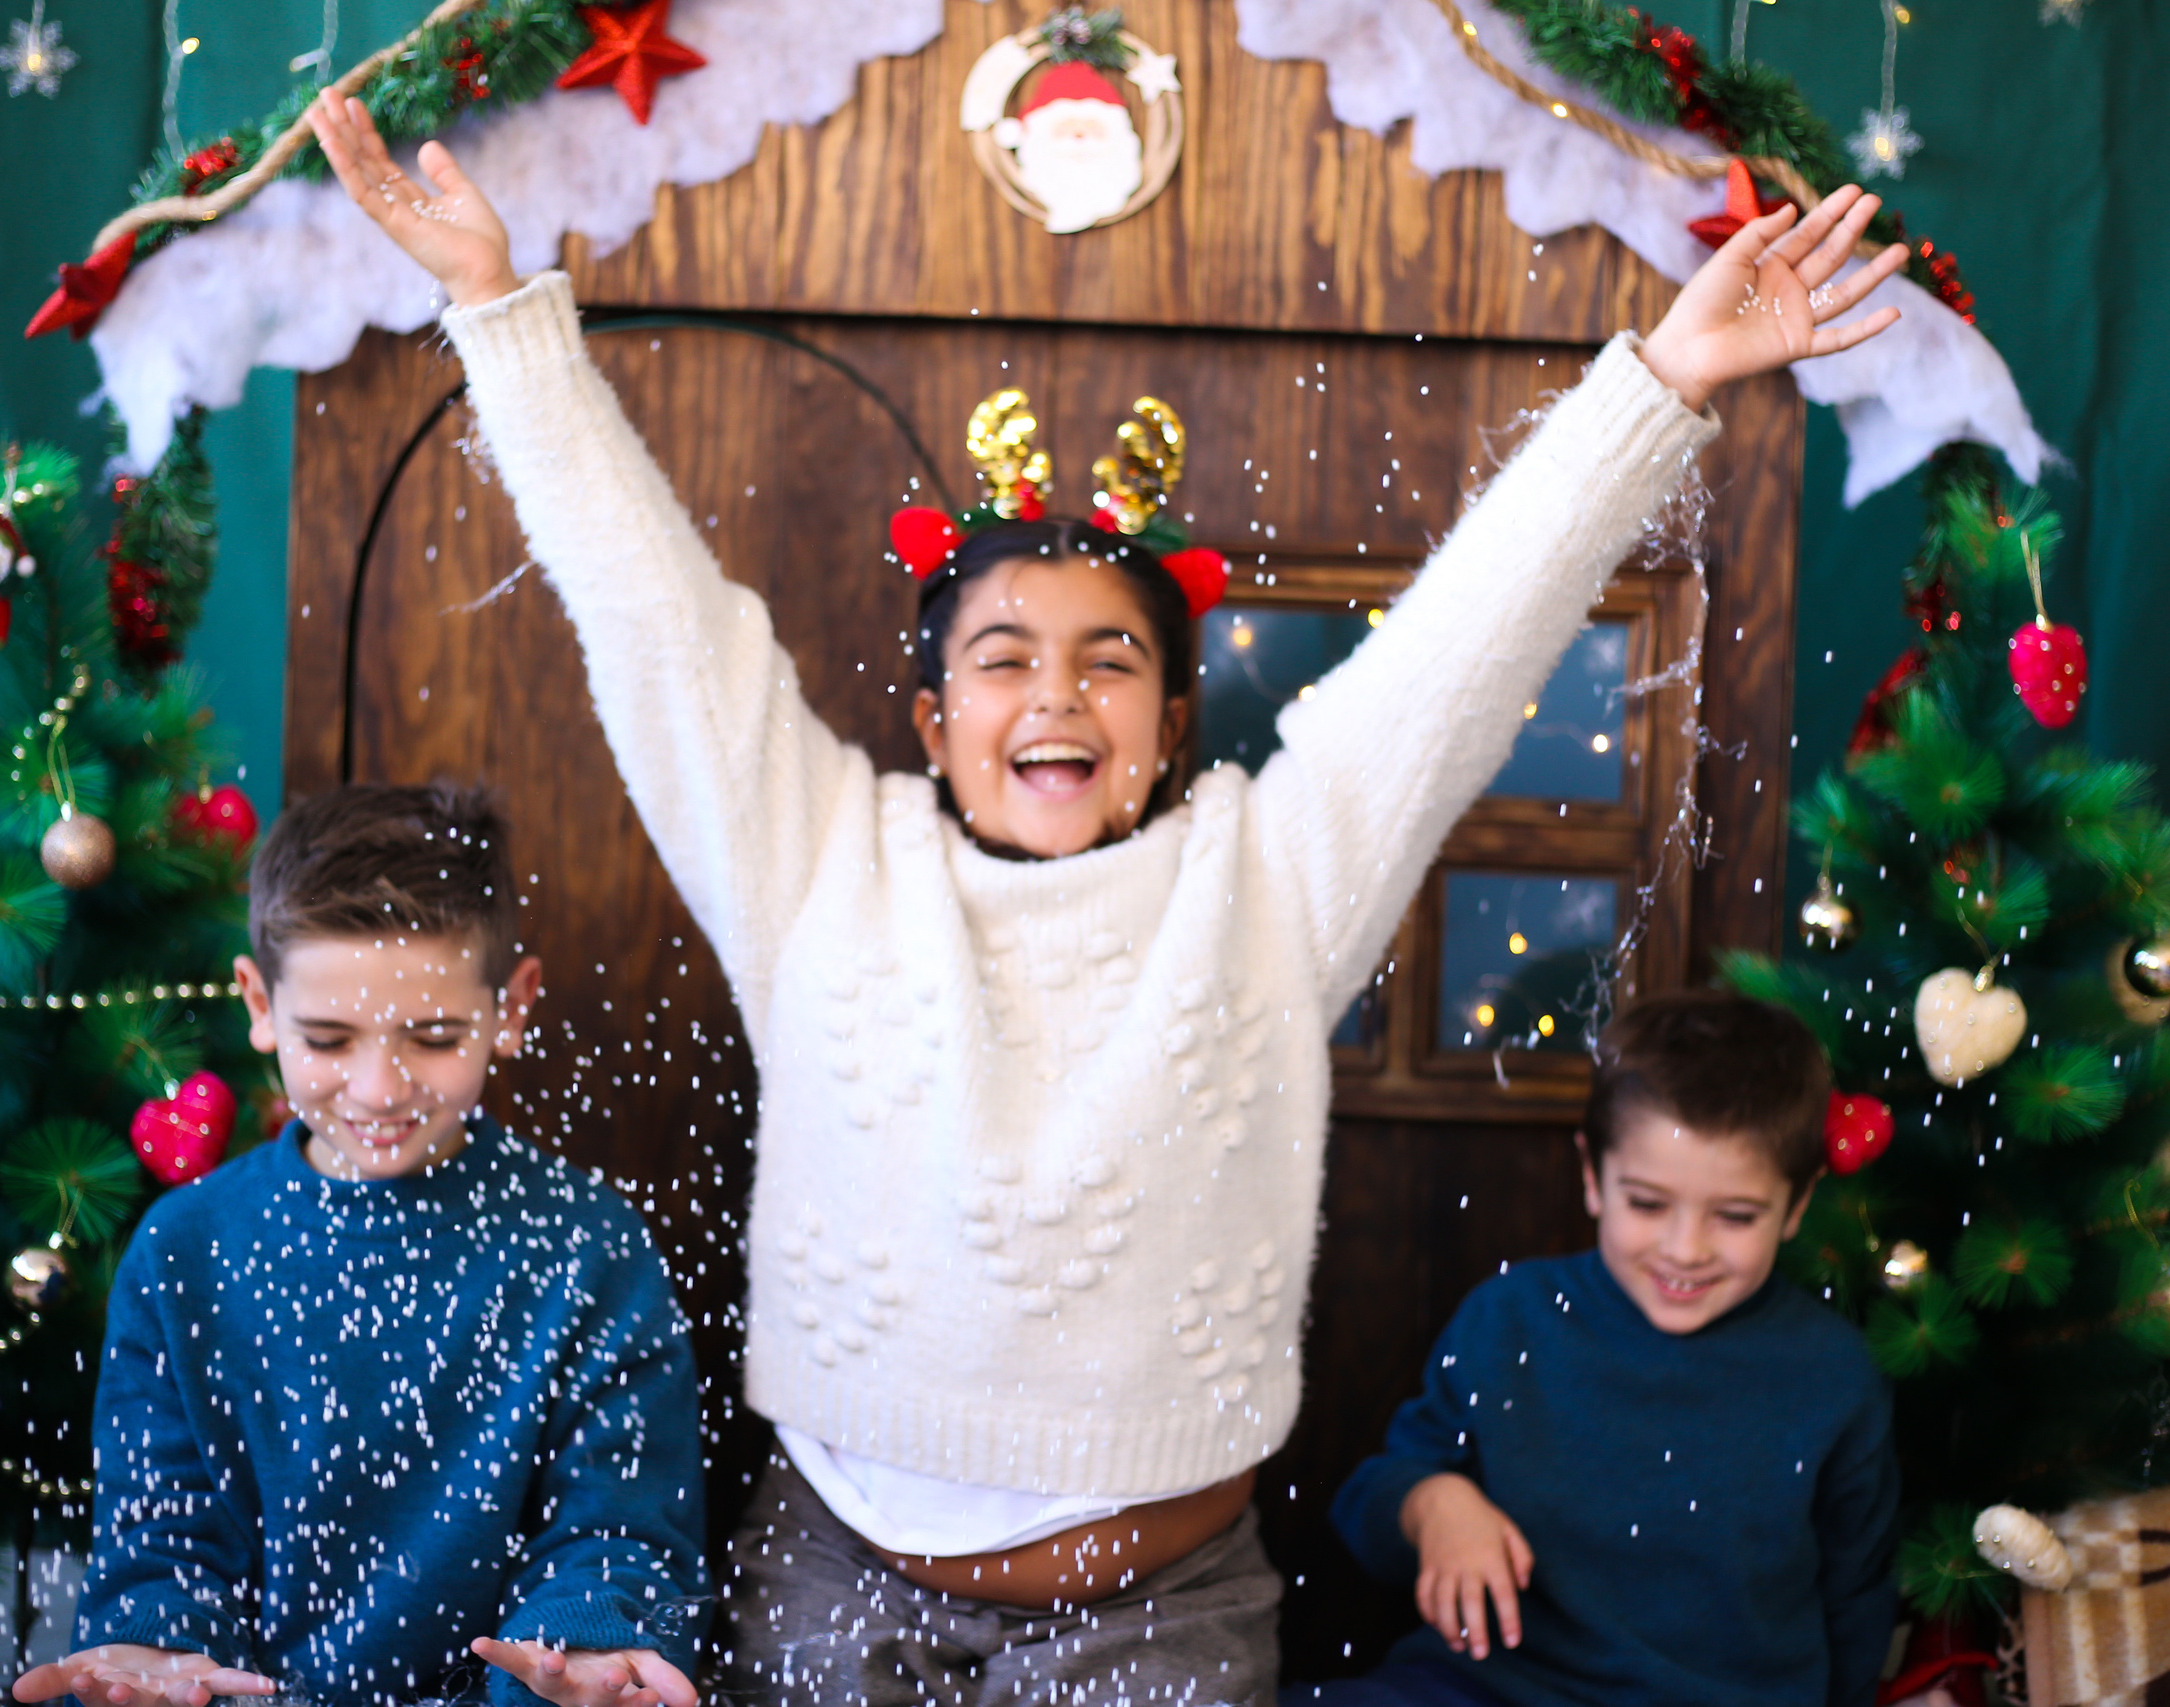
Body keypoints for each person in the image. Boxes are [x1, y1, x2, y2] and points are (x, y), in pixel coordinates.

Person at [302, 87, 1909, 1707]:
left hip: (1161, 1614)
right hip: (841, 1586)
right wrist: (500, 317)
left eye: (1109, 659)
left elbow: (1464, 646)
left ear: (1169, 724)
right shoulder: (815, 863)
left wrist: (1668, 378)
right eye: (1004, 658)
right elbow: (656, 625)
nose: (1055, 696)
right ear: (936, 724)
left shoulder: (1265, 883)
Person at [12, 784, 708, 1707]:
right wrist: (153, 1653)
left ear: (513, 1007)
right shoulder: (185, 1251)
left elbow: (620, 1532)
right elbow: (163, 1545)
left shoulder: (589, 1248)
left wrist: (578, 1654)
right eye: (329, 1038)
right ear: (260, 1003)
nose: (379, 1089)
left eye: (433, 1036)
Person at [1312, 991, 1899, 1707]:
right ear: (1593, 1176)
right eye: (1648, 1204)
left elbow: (1856, 1598)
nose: (1686, 1249)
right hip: (1482, 1689)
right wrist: (1433, 1502)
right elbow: (1368, 1505)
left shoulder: (1832, 1374)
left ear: (1798, 1204)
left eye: (1737, 1216)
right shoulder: (1511, 1319)